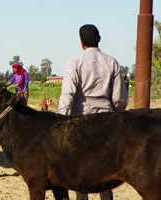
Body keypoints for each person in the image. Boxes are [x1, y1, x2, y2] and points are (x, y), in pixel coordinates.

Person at [58, 24, 128, 200]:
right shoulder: (111, 62)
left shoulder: (75, 61)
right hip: (106, 120)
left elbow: (68, 93)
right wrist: (114, 114)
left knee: (79, 168)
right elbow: (120, 99)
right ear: (99, 39)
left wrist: (60, 119)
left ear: (81, 43)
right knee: (105, 168)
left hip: (80, 121)